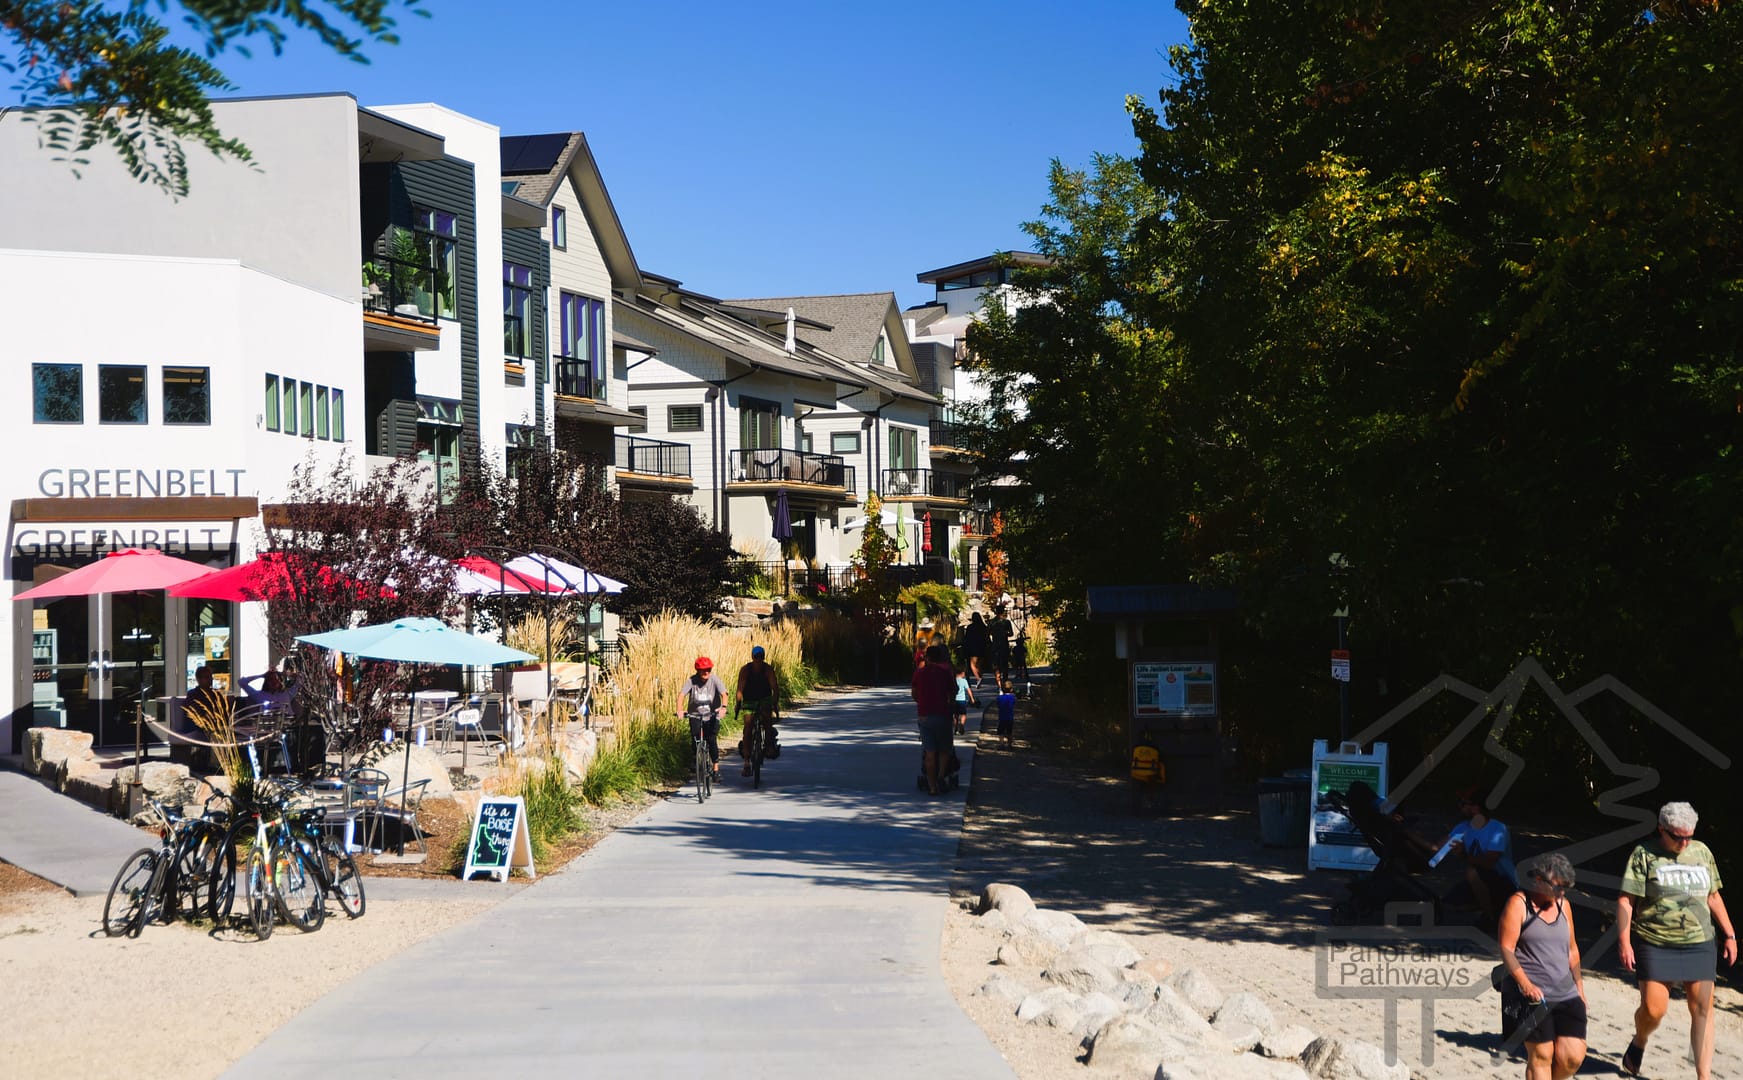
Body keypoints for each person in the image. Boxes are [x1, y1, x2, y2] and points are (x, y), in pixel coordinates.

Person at [1616, 801, 1736, 1080]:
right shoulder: (1643, 854)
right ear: (1662, 829)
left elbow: (1713, 895)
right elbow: (1626, 898)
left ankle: (1703, 1075)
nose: (1684, 842)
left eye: (1688, 836)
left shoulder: (1702, 852)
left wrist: (1729, 934)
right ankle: (1640, 1039)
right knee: (1654, 1010)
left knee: (1702, 1008)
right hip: (1656, 941)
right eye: (1677, 836)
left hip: (1699, 940)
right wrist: (1624, 940)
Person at [1497, 853, 1587, 1080]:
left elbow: (1573, 950)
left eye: (1565, 888)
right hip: (1533, 997)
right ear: (1538, 880)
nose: (1561, 893)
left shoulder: (1563, 905)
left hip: (1566, 993)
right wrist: (1526, 985)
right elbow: (1507, 949)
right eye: (1558, 887)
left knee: (1572, 1057)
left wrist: (1580, 989)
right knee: (1541, 1056)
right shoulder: (1518, 904)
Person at [1442, 788, 1518, 925]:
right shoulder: (1463, 827)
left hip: (1503, 880)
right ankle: (1489, 905)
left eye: (1463, 803)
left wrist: (1463, 855)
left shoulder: (1497, 829)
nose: (1460, 807)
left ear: (1476, 808)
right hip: (1478, 880)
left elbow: (1489, 863)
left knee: (1472, 872)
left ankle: (1492, 918)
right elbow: (1436, 849)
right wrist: (1405, 833)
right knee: (1448, 905)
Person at [910, 643, 955, 795]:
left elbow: (914, 693)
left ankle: (932, 786)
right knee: (944, 749)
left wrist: (921, 702)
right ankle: (941, 775)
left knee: (929, 752)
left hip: (925, 715)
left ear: (927, 658)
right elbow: (952, 693)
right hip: (942, 713)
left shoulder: (919, 673)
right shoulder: (944, 673)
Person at [735, 645, 780, 776]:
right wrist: (738, 704)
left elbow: (775, 689)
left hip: (764, 699)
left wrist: (774, 703)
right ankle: (747, 762)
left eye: (760, 657)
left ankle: (768, 745)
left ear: (763, 657)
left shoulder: (768, 670)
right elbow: (740, 690)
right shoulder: (746, 670)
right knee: (748, 726)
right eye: (756, 657)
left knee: (767, 720)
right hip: (750, 700)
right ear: (753, 657)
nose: (758, 659)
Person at [679, 656, 727, 779]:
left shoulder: (714, 679)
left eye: (708, 669)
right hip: (695, 714)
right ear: (697, 670)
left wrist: (723, 707)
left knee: (711, 739)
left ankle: (715, 769)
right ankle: (696, 758)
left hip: (711, 714)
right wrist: (679, 710)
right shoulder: (692, 681)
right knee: (695, 738)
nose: (706, 672)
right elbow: (681, 695)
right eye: (703, 670)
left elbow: (724, 694)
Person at [963, 612, 990, 686]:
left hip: (973, 647)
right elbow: (987, 637)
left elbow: (967, 638)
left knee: (973, 665)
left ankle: (978, 678)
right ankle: (980, 677)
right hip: (982, 646)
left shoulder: (970, 627)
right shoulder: (983, 627)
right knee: (979, 664)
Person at [988, 604, 1014, 682]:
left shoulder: (992, 622)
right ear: (1003, 612)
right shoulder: (1006, 622)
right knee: (1004, 662)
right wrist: (1005, 633)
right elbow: (1011, 633)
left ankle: (998, 678)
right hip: (1004, 644)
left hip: (995, 644)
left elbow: (988, 633)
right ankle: (1005, 678)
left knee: (996, 663)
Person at [952, 663, 975, 736]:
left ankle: (955, 728)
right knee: (963, 714)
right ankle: (961, 724)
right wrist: (972, 698)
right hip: (962, 700)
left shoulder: (953, 680)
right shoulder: (964, 681)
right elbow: (968, 690)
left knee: (955, 715)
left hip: (954, 700)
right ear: (962, 673)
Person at [995, 678, 1016, 749]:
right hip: (1010, 717)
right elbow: (1014, 703)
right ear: (1011, 689)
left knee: (1001, 732)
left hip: (1002, 717)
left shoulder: (1000, 698)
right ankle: (1010, 744)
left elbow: (998, 705)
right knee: (1009, 731)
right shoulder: (1012, 697)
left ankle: (1001, 744)